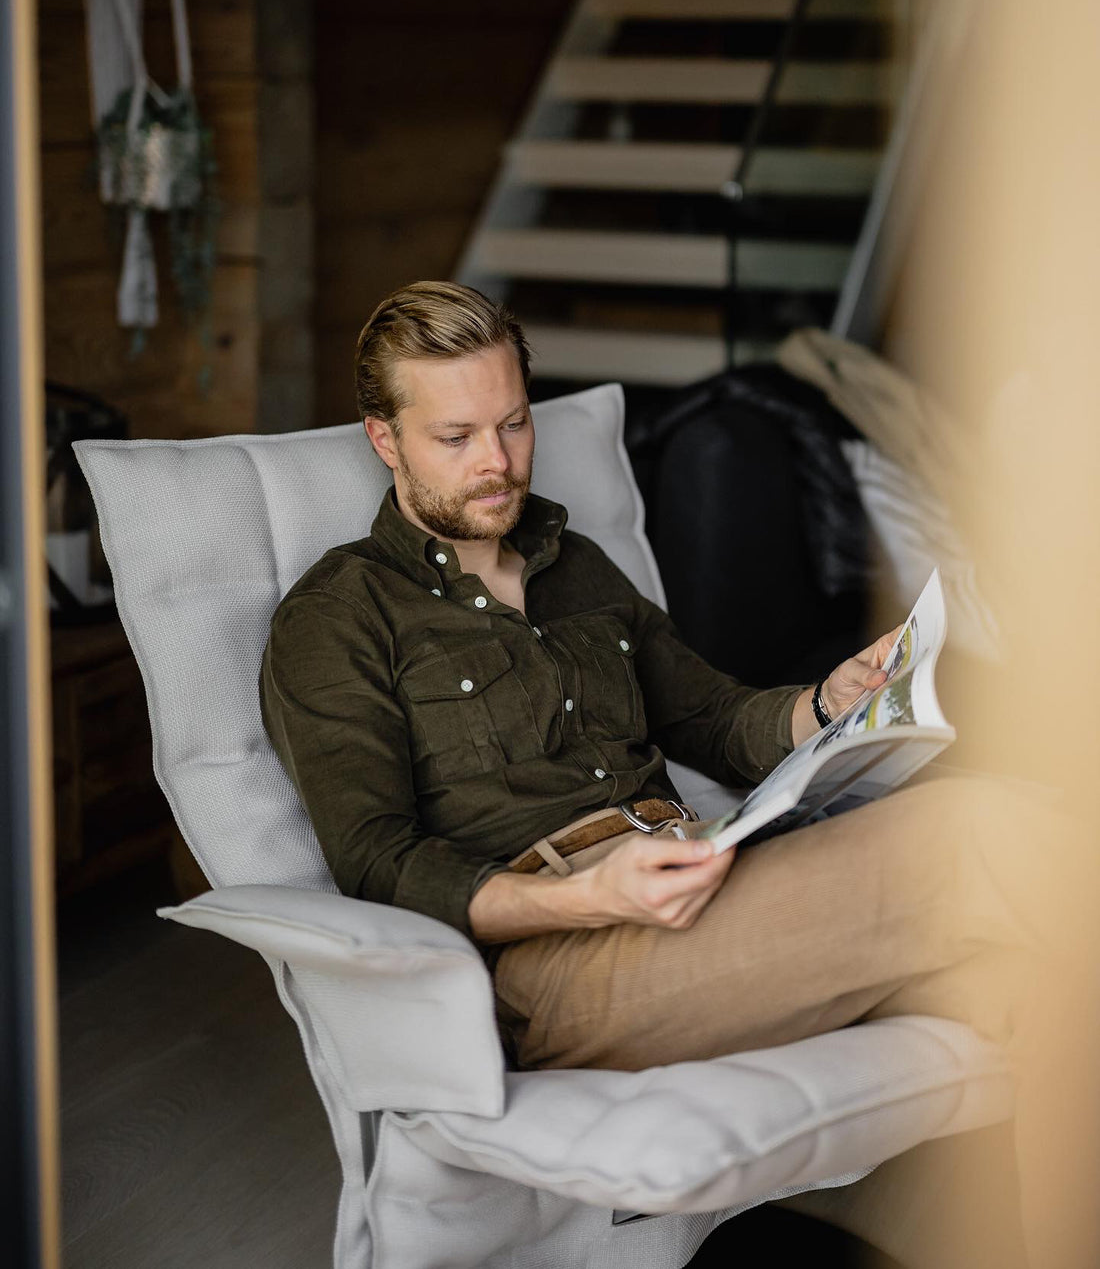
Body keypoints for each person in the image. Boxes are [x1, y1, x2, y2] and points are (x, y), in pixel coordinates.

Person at [260, 280, 1071, 1268]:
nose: (495, 462)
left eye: (512, 425)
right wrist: (580, 897)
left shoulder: (577, 570)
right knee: (982, 833)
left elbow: (717, 721)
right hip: (563, 965)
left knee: (1036, 982)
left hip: (705, 881)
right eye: (455, 436)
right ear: (383, 439)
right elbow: (376, 862)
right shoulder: (339, 617)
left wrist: (829, 700)